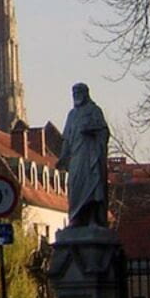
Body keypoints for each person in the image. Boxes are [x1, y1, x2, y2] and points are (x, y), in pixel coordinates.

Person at [59, 82, 111, 229]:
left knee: (93, 187)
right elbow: (66, 138)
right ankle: (76, 218)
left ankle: (93, 219)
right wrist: (63, 156)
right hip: (76, 157)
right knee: (75, 186)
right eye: (74, 93)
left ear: (86, 94)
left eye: (79, 93)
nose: (76, 96)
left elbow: (104, 131)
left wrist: (91, 129)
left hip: (90, 156)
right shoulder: (72, 114)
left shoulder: (94, 111)